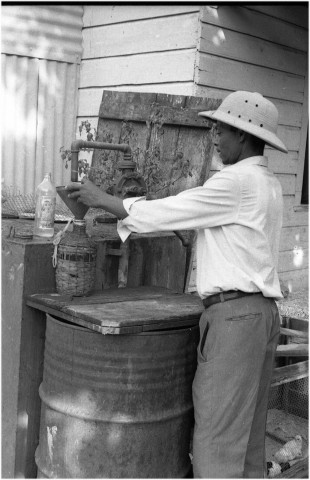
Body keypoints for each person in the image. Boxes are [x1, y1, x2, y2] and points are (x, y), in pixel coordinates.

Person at [66, 91, 287, 478]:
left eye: (222, 129)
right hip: (260, 315)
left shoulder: (237, 182)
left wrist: (103, 200)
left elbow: (171, 211)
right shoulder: (268, 183)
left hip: (236, 320)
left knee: (216, 445)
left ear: (245, 136)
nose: (215, 137)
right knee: (247, 442)